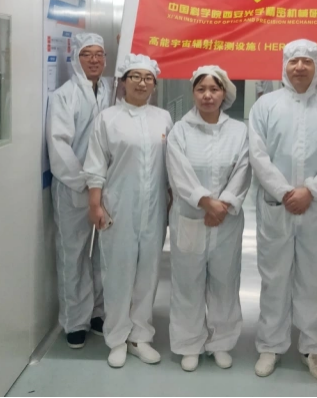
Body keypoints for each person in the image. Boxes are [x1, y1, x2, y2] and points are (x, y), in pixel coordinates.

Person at [249, 40, 317, 382]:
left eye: (306, 62)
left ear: (316, 66)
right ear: (284, 65)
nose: (299, 67)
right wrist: (284, 192)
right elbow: (258, 155)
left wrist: (312, 190)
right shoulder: (265, 106)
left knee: (314, 279)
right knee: (274, 278)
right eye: (293, 61)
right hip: (276, 206)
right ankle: (271, 345)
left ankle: (314, 347)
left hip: (315, 208)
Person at [83, 53, 173, 369]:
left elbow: (171, 164)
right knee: (118, 273)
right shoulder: (108, 119)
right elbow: (96, 164)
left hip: (154, 208)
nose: (142, 83)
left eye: (148, 78)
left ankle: (140, 337)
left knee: (148, 272)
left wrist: (171, 197)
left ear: (154, 84)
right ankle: (117, 338)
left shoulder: (163, 118)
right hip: (118, 206)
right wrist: (95, 204)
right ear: (122, 82)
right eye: (135, 77)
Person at [167, 66, 252, 372]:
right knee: (187, 282)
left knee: (225, 281)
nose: (207, 95)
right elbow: (179, 173)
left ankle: (221, 342)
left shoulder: (238, 131)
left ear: (224, 93)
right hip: (190, 217)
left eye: (214, 89)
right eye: (201, 89)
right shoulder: (180, 131)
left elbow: (243, 170)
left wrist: (223, 205)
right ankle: (189, 343)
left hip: (226, 221)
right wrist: (206, 202)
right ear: (193, 92)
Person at [46, 33, 113, 350]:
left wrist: (101, 183)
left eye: (100, 54)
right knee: (72, 255)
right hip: (74, 189)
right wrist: (86, 182)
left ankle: (98, 313)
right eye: (88, 54)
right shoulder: (64, 96)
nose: (95, 60)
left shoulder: (110, 89)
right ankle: (74, 321)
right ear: (76, 58)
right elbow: (58, 145)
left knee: (102, 255)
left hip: (106, 187)